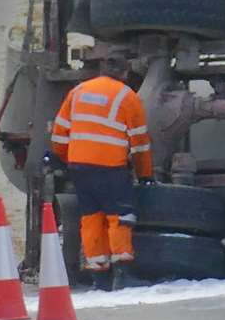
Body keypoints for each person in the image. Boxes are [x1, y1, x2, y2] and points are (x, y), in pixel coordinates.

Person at [47, 54, 152, 289]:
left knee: (91, 217)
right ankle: (123, 274)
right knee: (120, 217)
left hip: (79, 166)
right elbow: (140, 144)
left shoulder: (78, 91)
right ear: (125, 73)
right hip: (111, 167)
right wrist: (145, 175)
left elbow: (59, 133)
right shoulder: (128, 97)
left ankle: (99, 274)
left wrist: (66, 158)